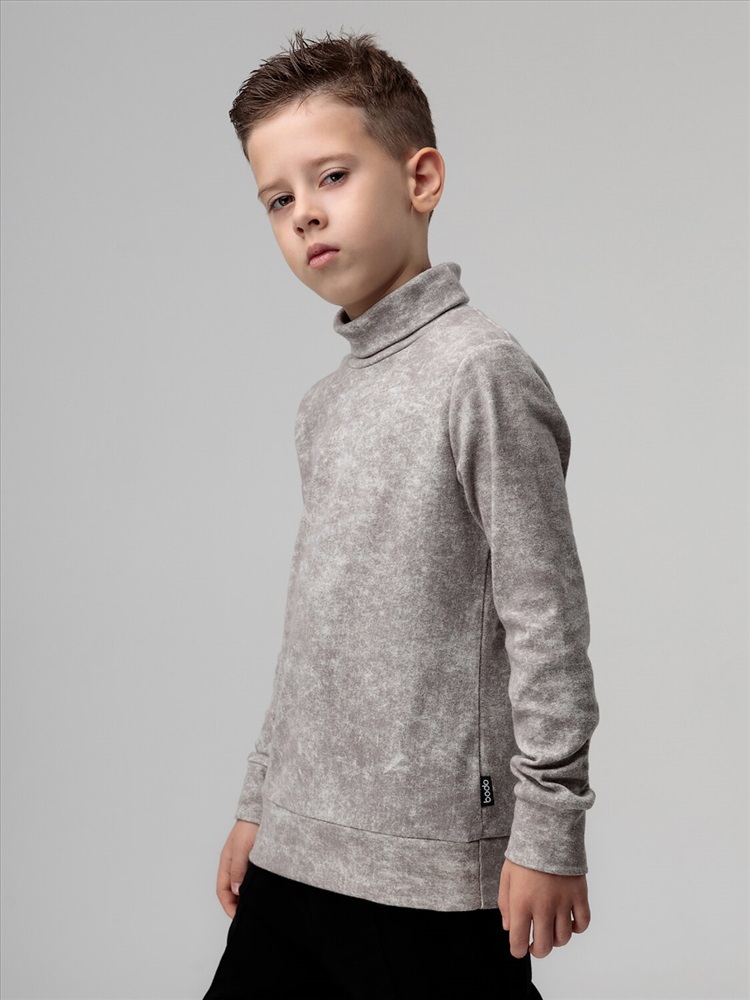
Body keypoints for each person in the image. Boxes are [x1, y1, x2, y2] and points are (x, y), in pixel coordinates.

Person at [202, 29, 599, 1000]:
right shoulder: (324, 405)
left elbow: (545, 619)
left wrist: (549, 829)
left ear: (421, 178)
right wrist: (263, 801)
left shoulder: (482, 374)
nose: (304, 212)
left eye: (331, 176)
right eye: (277, 199)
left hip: (428, 868)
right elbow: (313, 633)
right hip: (299, 849)